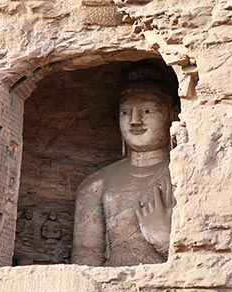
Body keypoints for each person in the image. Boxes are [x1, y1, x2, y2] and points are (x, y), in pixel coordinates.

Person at [72, 63, 178, 267]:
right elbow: (84, 267)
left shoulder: (188, 177)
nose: (135, 121)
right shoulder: (96, 185)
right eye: (125, 112)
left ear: (173, 114)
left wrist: (165, 242)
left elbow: (207, 262)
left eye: (147, 110)